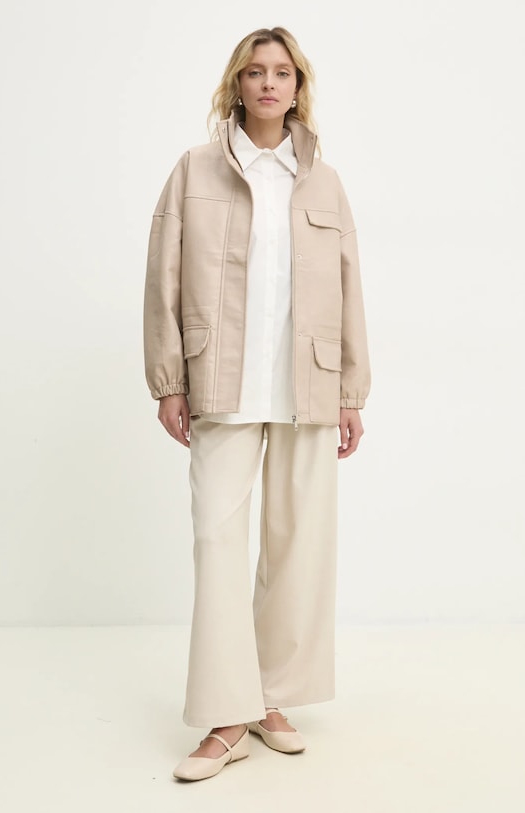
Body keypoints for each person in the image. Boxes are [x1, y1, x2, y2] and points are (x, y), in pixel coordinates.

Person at [143, 26, 371, 782]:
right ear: (236, 84)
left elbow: (349, 289)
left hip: (308, 384)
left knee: (297, 544)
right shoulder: (194, 170)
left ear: (298, 86)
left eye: (282, 72)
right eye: (255, 71)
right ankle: (225, 714)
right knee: (218, 541)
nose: (269, 83)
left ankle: (272, 696)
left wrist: (351, 391)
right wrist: (169, 381)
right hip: (222, 382)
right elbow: (162, 278)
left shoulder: (324, 181)